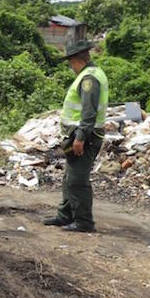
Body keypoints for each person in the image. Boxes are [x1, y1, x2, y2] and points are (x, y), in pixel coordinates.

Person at [43, 39, 109, 232]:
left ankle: (84, 222)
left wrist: (80, 137)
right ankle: (65, 215)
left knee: (77, 180)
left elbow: (89, 112)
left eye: (70, 62)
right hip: (78, 135)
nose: (70, 67)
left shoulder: (89, 78)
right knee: (69, 177)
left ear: (75, 60)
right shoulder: (91, 74)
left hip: (85, 137)